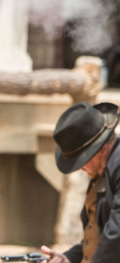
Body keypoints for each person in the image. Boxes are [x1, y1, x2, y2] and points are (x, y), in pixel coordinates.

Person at [40, 102, 120, 263]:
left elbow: (117, 235)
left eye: (83, 158)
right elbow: (97, 238)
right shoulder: (103, 172)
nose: (80, 167)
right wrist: (68, 258)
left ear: (103, 149)